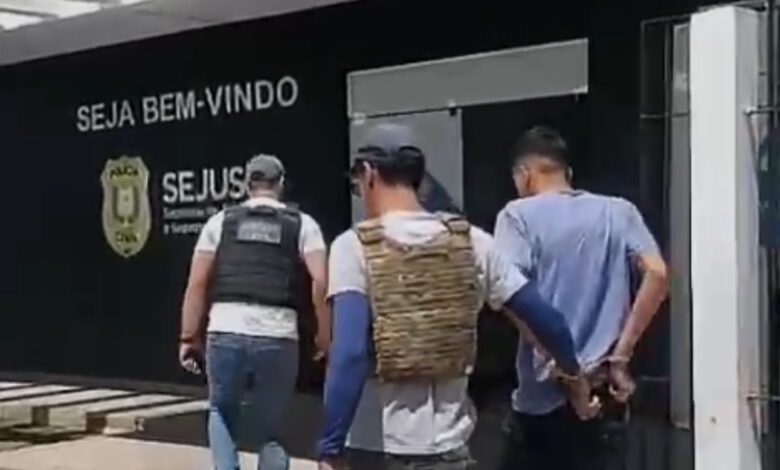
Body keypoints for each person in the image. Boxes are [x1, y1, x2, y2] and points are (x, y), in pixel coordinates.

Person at [316, 123, 600, 470]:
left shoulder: (353, 246)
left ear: (369, 173)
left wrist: (330, 447)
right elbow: (547, 320)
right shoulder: (472, 242)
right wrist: (575, 380)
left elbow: (349, 354)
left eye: (357, 184)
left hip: (385, 449)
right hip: (453, 448)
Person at [493, 126, 669, 470]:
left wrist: (567, 372)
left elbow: (507, 293)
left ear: (525, 174)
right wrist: (621, 355)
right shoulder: (619, 211)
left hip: (542, 404)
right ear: (567, 173)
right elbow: (658, 273)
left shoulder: (517, 216)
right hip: (606, 394)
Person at [178, 154, 328, 470]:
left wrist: (189, 337)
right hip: (278, 333)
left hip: (225, 328)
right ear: (281, 184)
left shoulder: (220, 222)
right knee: (272, 425)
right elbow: (320, 283)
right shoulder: (304, 224)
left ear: (247, 184)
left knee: (221, 411)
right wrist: (324, 336)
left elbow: (197, 283)